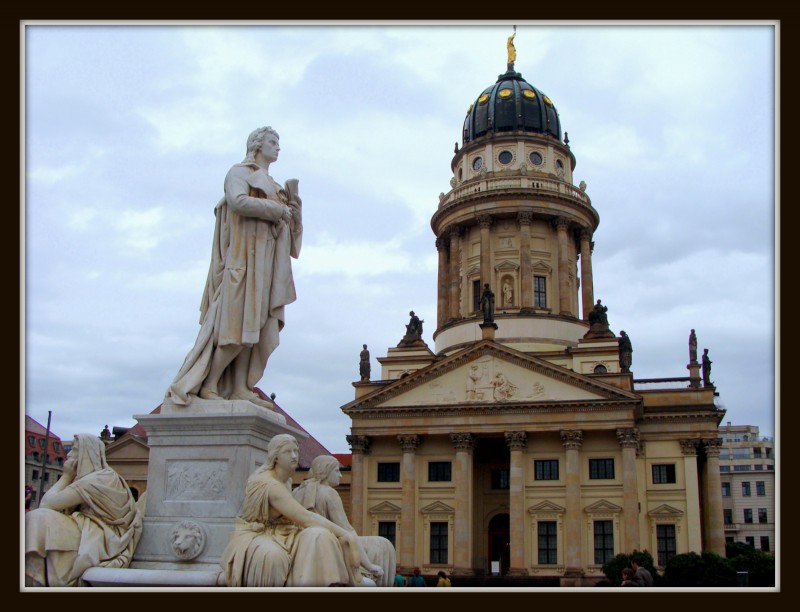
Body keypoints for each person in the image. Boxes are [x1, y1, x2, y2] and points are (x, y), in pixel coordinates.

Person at [166, 126, 303, 408]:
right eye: (273, 142)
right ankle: (211, 383)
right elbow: (238, 202)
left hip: (267, 263)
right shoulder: (239, 172)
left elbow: (290, 238)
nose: (278, 147)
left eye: (279, 143)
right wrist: (278, 210)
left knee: (257, 327)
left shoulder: (274, 184)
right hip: (244, 260)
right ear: (257, 144)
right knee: (237, 326)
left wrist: (294, 213)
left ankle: (241, 386)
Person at [220, 434, 366, 587]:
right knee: (273, 556)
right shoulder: (270, 485)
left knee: (320, 535)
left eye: (296, 451)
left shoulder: (287, 480)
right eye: (288, 452)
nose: (294, 456)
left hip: (283, 532)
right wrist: (345, 534)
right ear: (275, 457)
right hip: (257, 533)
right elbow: (305, 517)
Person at [25, 434, 143, 586]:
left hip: (103, 537)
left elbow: (46, 504)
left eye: (73, 450)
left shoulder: (99, 479)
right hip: (88, 530)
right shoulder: (98, 477)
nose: (68, 454)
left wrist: (66, 476)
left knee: (38, 518)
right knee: (38, 520)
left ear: (86, 454)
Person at [292, 455, 392, 586]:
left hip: (300, 546)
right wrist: (369, 565)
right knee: (381, 551)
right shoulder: (329, 493)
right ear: (326, 472)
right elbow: (347, 531)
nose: (340, 475)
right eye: (337, 470)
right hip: (326, 549)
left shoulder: (297, 491)